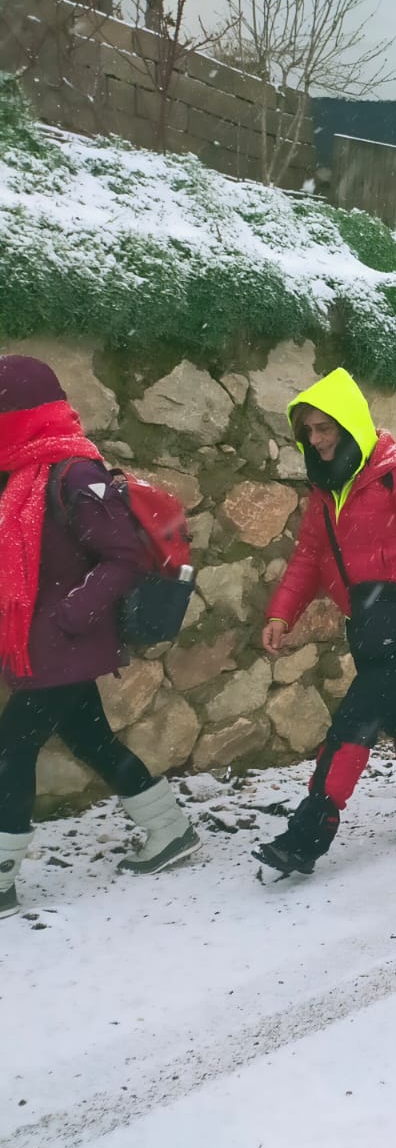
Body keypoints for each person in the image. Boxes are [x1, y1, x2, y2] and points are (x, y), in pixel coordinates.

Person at [0, 356, 200, 917]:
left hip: (63, 640)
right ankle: (171, 830)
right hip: (42, 640)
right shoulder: (21, 473)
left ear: (24, 413)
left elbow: (123, 557)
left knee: (11, 750)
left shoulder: (74, 474)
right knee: (90, 740)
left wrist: (67, 615)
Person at [256, 369, 396, 876]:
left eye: (325, 428)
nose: (317, 440)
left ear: (348, 425)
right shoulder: (325, 486)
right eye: (309, 431)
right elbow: (308, 556)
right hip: (366, 619)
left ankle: (306, 837)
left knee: (355, 719)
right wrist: (282, 613)